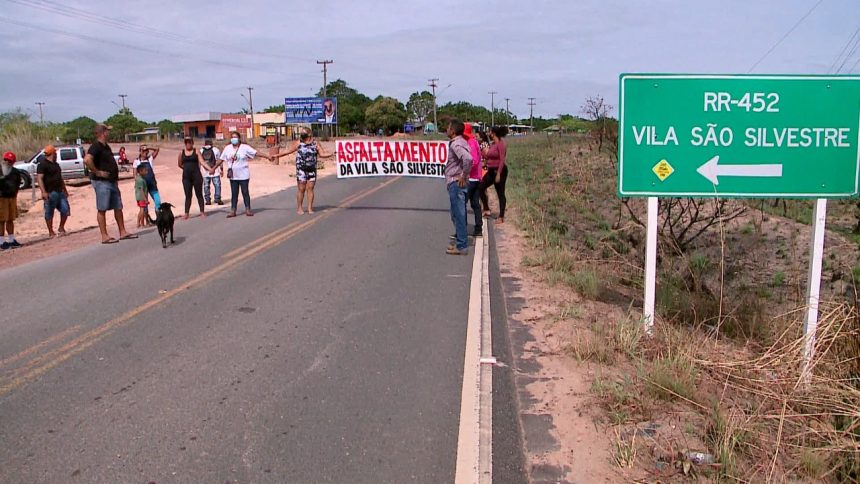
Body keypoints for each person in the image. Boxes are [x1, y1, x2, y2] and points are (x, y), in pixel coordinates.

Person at [84, 123, 137, 244]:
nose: (109, 133)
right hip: (102, 182)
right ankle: (104, 236)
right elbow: (87, 159)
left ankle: (122, 231)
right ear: (103, 132)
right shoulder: (95, 146)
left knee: (118, 207)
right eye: (107, 131)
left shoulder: (105, 146)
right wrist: (97, 172)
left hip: (112, 181)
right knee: (102, 208)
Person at [272, 130, 334, 214]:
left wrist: (332, 154)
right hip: (301, 169)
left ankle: (309, 208)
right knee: (301, 189)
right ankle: (300, 208)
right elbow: (288, 151)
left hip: (311, 169)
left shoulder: (316, 144)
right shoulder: (298, 143)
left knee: (310, 188)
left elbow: (322, 154)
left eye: (304, 133)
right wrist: (276, 156)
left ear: (309, 134)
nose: (302, 134)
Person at [219, 131, 274, 217]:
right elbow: (221, 159)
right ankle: (233, 210)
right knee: (234, 193)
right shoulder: (227, 148)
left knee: (245, 192)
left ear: (239, 138)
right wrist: (213, 168)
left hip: (243, 175)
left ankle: (248, 209)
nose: (234, 139)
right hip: (233, 176)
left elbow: (256, 153)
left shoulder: (244, 147)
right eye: (232, 137)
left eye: (235, 137)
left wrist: (267, 157)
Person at [444, 119, 472, 256]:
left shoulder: (456, 144)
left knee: (459, 215)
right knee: (457, 214)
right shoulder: (462, 142)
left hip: (457, 183)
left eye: (448, 127)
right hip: (458, 182)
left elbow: (467, 159)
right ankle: (461, 242)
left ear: (453, 131)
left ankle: (462, 246)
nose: (446, 129)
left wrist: (463, 175)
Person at [36, 145, 70, 237]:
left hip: (60, 191)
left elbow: (60, 178)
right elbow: (39, 178)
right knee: (49, 212)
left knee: (65, 210)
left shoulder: (56, 165)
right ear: (52, 153)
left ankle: (61, 227)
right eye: (55, 153)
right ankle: (50, 231)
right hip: (50, 192)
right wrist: (43, 192)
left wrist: (65, 190)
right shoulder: (42, 165)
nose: (56, 155)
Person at [480, 125, 509, 224]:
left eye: (489, 132)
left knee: (500, 193)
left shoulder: (501, 144)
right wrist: (484, 162)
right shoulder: (493, 144)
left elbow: (502, 159)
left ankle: (501, 217)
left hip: (499, 171)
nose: (488, 133)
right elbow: (489, 156)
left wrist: (499, 174)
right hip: (491, 170)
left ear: (493, 133)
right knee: (480, 187)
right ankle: (486, 208)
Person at [178, 136, 207, 219]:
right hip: (186, 177)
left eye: (189, 142)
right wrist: (187, 168)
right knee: (188, 195)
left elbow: (202, 162)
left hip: (196, 176)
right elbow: (180, 164)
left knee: (199, 194)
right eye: (186, 142)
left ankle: (202, 212)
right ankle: (186, 213)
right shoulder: (181, 152)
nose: (188, 144)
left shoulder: (196, 151)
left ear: (192, 143)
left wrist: (210, 169)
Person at [0, 151, 23, 249]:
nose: (8, 162)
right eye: (6, 160)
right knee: (1, 220)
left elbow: (18, 184)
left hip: (12, 197)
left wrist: (15, 194)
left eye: (10, 161)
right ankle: (1, 242)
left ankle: (11, 240)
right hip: (1, 198)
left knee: (10, 219)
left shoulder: (16, 172)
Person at [463, 124, 483, 237]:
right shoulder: (474, 142)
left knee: (462, 204)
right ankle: (478, 228)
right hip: (477, 178)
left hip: (471, 178)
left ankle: (462, 230)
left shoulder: (470, 143)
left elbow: (473, 161)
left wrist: (464, 171)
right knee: (475, 204)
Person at [133, 144, 161, 222]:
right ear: (140, 151)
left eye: (146, 151)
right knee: (144, 204)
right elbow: (134, 175)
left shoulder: (150, 159)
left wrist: (148, 147)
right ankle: (147, 221)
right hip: (143, 185)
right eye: (143, 150)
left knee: (157, 201)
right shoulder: (136, 161)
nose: (145, 152)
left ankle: (158, 218)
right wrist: (138, 185)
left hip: (152, 184)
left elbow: (157, 149)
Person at [200, 138, 223, 205]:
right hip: (215, 171)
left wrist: (199, 171)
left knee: (206, 186)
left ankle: (207, 200)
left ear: (205, 144)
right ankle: (217, 199)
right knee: (217, 185)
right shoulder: (216, 150)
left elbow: (200, 162)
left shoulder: (201, 150)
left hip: (205, 172)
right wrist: (221, 170)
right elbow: (219, 161)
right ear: (212, 144)